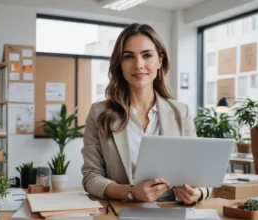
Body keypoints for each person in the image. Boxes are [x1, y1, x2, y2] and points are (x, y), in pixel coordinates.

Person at [81, 23, 212, 205]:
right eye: (129, 57)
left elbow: (200, 172)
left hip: (172, 211)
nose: (138, 65)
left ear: (160, 60)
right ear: (120, 63)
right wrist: (131, 192)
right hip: (120, 212)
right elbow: (91, 177)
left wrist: (198, 192)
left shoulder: (181, 113)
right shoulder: (99, 113)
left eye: (147, 55)